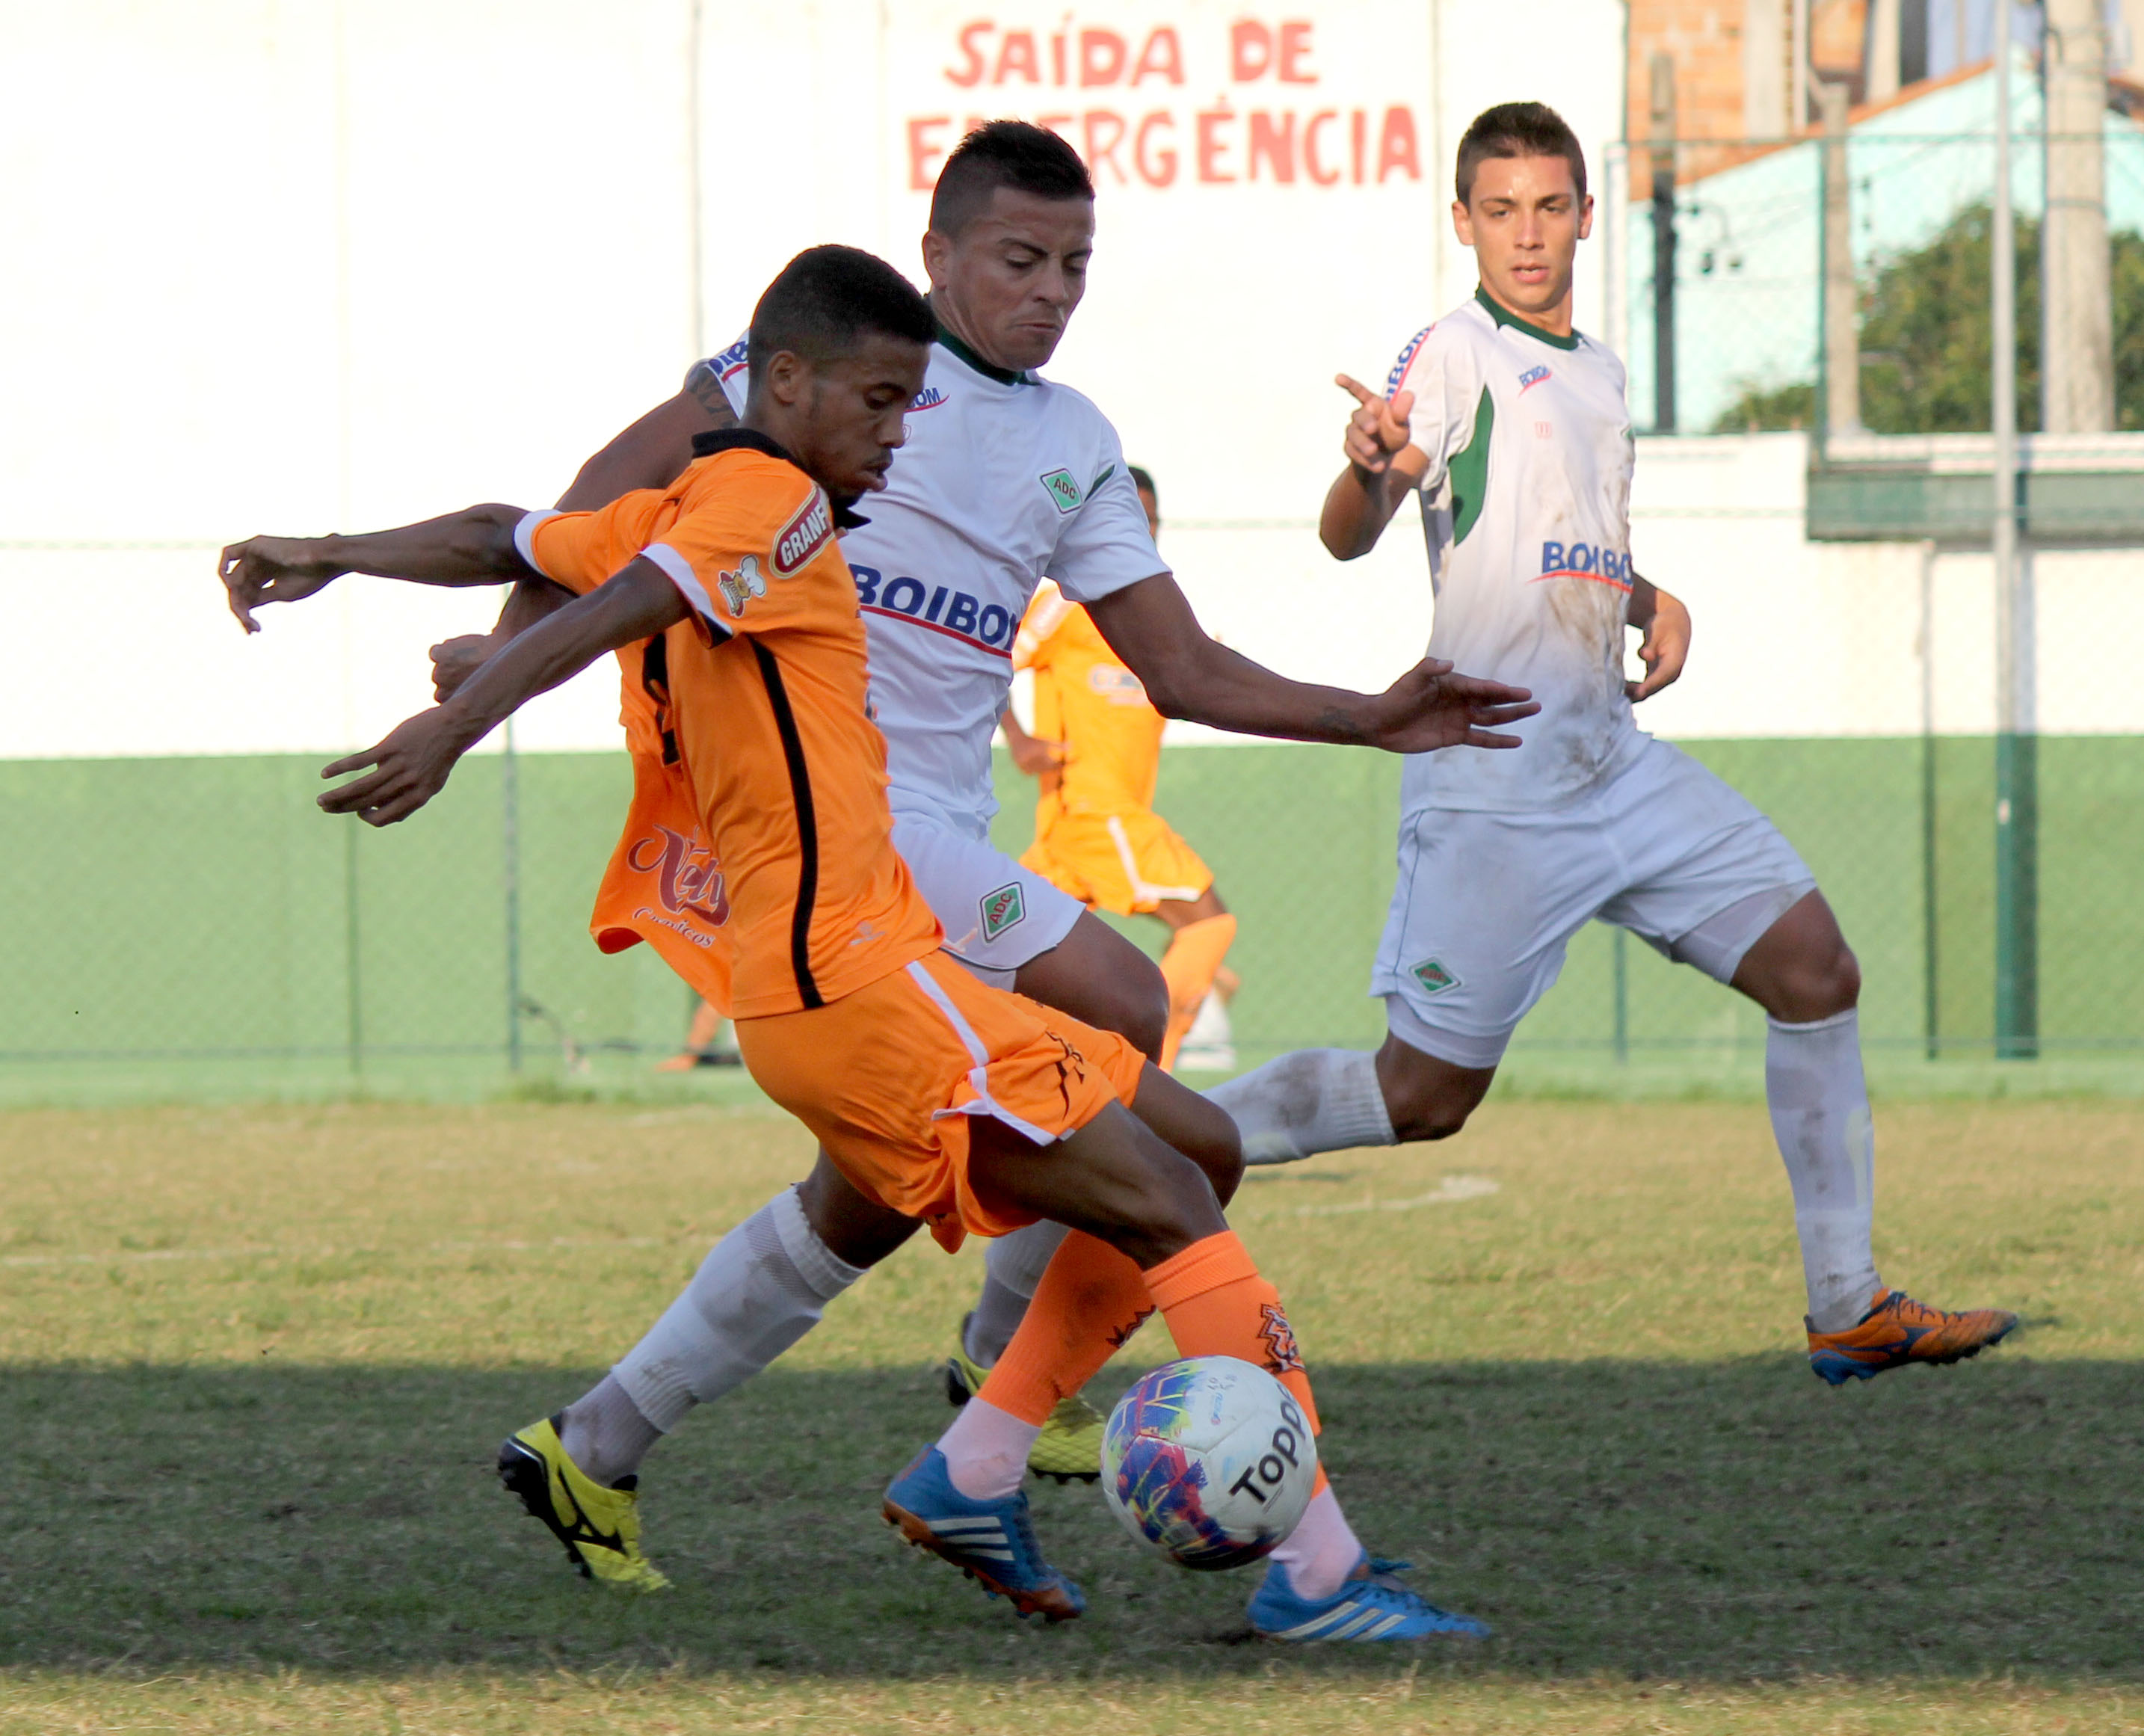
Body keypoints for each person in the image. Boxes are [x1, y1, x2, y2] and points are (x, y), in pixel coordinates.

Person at [221, 246, 1533, 1637]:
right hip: (852, 984)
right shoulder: (772, 504)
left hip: (868, 964)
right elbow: (621, 602)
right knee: (1167, 1192)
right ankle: (1310, 1570)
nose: (902, 436)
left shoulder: (699, 507)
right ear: (784, 383)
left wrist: (336, 553)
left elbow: (517, 532)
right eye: (883, 403)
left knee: (1192, 1148)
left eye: (912, 404)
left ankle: (906, 1460)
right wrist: (459, 715)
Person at [424, 121, 1493, 1489]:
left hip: (936, 835)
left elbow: (1178, 665)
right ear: (936, 253)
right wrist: (494, 665)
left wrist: (1367, 714)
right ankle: (1000, 1365)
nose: (1051, 291)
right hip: (839, 830)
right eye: (1019, 259)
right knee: (1123, 1004)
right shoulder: (824, 377)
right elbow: (598, 504)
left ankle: (595, 1443)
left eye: (1075, 264)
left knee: (871, 1196)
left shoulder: (1075, 440)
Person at [1205, 102, 2018, 1388]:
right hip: (1494, 775)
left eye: (1548, 207)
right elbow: (1350, 531)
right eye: (1499, 210)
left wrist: (1648, 599)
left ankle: (1848, 1303)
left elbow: (1559, 541)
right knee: (1421, 1098)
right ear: (1463, 221)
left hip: (1613, 761)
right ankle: (1169, 1134)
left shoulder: (1597, 370)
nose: (1526, 234)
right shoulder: (1455, 352)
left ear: (1585, 215)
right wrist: (1364, 468)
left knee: (1816, 970)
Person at [999, 467, 1239, 1077]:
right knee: (1208, 922)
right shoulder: (1066, 606)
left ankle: (1033, 1083)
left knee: (1004, 969)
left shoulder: (1159, 617)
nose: (1142, 530)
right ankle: (1151, 1074)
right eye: (1131, 516)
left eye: (1150, 520)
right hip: (1097, 815)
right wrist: (1020, 738)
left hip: (1079, 833)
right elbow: (988, 651)